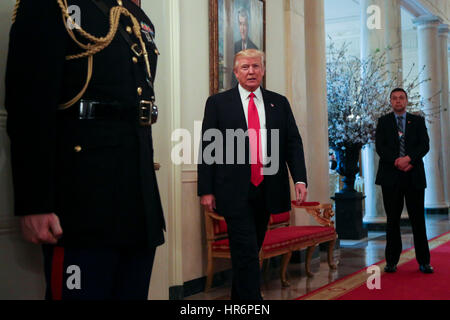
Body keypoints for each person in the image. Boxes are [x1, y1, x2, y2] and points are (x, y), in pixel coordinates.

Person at [5, 0, 165, 299]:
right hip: (81, 202)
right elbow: (29, 107)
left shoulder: (134, 14)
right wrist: (34, 202)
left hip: (138, 200)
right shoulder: (52, 6)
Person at [198, 49, 308, 300]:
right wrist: (206, 189)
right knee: (246, 250)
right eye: (245, 67)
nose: (251, 71)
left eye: (256, 66)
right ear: (236, 72)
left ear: (263, 70)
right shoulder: (218, 103)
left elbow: (293, 143)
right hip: (233, 189)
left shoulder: (278, 102)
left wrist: (299, 179)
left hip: (268, 188)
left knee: (249, 249)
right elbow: (207, 147)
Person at [375, 88, 433, 274]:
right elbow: (380, 147)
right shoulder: (383, 122)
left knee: (418, 220)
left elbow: (424, 145)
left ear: (406, 101)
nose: (398, 101)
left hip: (413, 175)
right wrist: (396, 161)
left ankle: (424, 261)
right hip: (391, 177)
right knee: (392, 221)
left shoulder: (417, 121)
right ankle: (391, 261)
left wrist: (408, 159)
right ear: (390, 101)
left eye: (401, 98)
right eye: (394, 98)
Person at [231, 8, 259, 88]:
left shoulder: (255, 48)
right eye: (240, 24)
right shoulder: (234, 46)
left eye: (245, 24)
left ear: (249, 26)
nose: (242, 29)